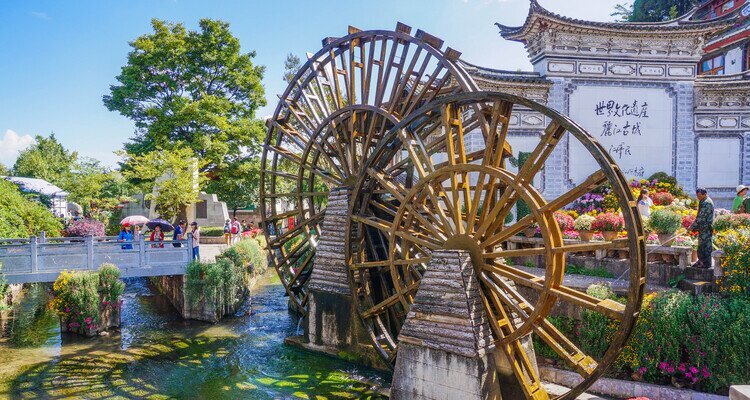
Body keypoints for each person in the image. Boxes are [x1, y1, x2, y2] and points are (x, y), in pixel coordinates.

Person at [688, 188, 714, 269]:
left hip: (706, 228)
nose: (698, 197)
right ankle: (701, 261)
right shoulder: (702, 200)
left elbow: (701, 218)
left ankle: (706, 263)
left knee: (706, 246)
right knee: (701, 246)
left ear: (705, 194)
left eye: (699, 195)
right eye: (697, 196)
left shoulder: (707, 203)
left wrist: (691, 227)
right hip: (702, 228)